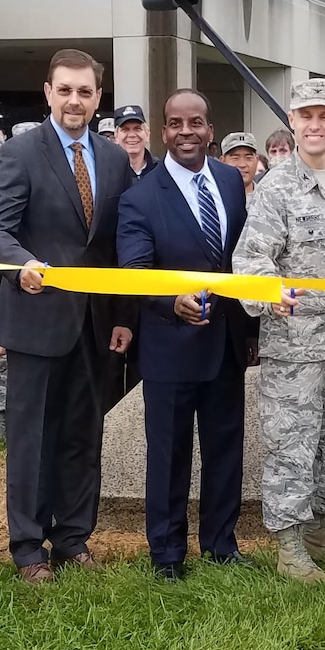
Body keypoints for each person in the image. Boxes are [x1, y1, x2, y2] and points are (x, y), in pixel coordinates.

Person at [0, 49, 135, 583]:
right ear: (47, 93)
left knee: (82, 435)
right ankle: (28, 548)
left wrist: (122, 314)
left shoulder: (115, 160)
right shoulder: (20, 153)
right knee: (31, 439)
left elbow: (115, 246)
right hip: (36, 318)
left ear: (98, 98)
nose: (75, 100)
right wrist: (21, 264)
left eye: (85, 92)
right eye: (65, 90)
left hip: (95, 325)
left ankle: (73, 538)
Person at [118, 91, 256, 579]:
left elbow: (243, 256)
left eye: (195, 122)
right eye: (175, 123)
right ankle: (168, 554)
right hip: (170, 347)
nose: (186, 132)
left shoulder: (230, 181)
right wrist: (168, 302)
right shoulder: (139, 197)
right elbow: (134, 270)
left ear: (210, 129)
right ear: (163, 132)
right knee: (170, 455)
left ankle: (221, 543)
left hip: (226, 346)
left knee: (225, 450)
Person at [232, 77, 325, 582]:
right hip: (294, 347)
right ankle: (289, 547)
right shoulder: (276, 188)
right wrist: (271, 290)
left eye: (324, 116)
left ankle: (319, 528)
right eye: (305, 116)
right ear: (292, 120)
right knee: (292, 445)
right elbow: (249, 260)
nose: (314, 125)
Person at [113, 103, 155, 179]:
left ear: (147, 134)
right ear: (116, 137)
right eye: (125, 129)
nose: (132, 135)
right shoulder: (107, 172)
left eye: (137, 129)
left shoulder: (160, 169)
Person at [221, 132, 263, 197]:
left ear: (257, 160)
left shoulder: (269, 197)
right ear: (222, 161)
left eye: (248, 158)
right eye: (235, 158)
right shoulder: (213, 198)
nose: (242, 164)